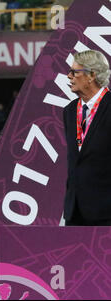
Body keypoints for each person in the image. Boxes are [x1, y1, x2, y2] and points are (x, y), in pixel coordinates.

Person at [63, 50, 111, 226]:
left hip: (106, 213)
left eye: (75, 72)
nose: (69, 76)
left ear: (91, 75)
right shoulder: (69, 111)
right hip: (74, 212)